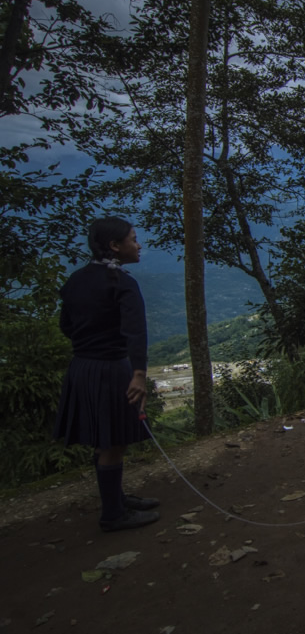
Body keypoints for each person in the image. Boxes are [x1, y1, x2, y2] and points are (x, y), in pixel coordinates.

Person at [54, 217, 161, 532]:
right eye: (133, 239)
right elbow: (135, 334)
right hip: (112, 368)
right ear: (115, 246)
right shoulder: (122, 284)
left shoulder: (75, 281)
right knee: (113, 440)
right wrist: (138, 374)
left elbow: (66, 326)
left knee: (105, 436)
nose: (138, 244)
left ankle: (116, 499)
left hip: (83, 367)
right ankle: (113, 514)